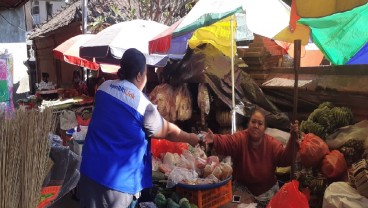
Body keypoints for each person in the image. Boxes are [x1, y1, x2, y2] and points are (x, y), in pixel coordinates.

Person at [79, 48, 201, 208]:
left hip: (89, 174)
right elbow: (168, 131)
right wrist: (191, 138)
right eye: (145, 73)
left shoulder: (103, 88)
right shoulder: (143, 106)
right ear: (139, 75)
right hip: (118, 186)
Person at [202, 109, 299, 207]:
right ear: (248, 123)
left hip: (267, 192)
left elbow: (284, 159)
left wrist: (292, 140)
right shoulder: (240, 138)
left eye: (260, 123)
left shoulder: (272, 143)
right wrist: (214, 138)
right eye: (253, 122)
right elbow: (227, 141)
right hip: (242, 189)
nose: (256, 126)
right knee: (231, 204)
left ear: (264, 127)